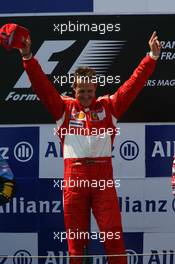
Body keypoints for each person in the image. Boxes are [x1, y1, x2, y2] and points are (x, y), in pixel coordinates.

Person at [4, 29, 161, 264]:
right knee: (76, 243)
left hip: (102, 181)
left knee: (113, 237)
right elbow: (41, 85)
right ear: (74, 90)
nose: (86, 95)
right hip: (74, 180)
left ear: (95, 89)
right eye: (81, 91)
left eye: (89, 91)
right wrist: (27, 57)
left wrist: (151, 57)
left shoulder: (109, 107)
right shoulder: (64, 109)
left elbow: (133, 85)